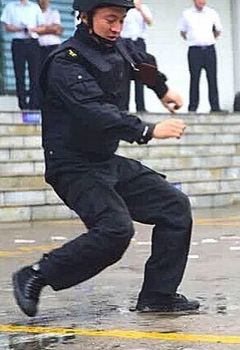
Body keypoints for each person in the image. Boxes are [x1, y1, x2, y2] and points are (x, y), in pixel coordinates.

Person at [11, 0, 199, 317]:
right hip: (72, 166)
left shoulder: (119, 47)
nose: (116, 28)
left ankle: (158, 295)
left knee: (175, 207)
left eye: (121, 20)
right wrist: (148, 130)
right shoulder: (65, 62)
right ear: (85, 17)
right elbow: (95, 111)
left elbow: (143, 64)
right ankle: (35, 275)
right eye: (110, 20)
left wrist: (163, 90)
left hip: (104, 160)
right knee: (115, 230)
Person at [177, 0, 223, 112]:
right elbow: (183, 32)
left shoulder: (212, 13)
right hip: (194, 50)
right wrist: (193, 39)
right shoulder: (186, 14)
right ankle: (193, 107)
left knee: (212, 78)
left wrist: (208, 40)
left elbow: (218, 30)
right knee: (194, 78)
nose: (201, 2)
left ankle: (215, 107)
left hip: (209, 49)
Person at [1, 0, 44, 110]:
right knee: (19, 74)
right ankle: (22, 103)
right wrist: (21, 28)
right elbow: (7, 27)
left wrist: (31, 29)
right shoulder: (10, 6)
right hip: (18, 42)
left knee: (34, 74)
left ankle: (34, 103)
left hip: (33, 42)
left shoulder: (34, 7)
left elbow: (42, 26)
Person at [120, 0, 152, 112]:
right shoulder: (123, 8)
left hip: (138, 43)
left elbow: (150, 22)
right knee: (125, 74)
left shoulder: (144, 8)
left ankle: (140, 107)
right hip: (124, 42)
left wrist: (140, 9)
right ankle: (124, 106)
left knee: (140, 74)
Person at [36, 0, 63, 66]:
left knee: (54, 68)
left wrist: (40, 29)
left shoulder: (54, 13)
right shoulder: (34, 14)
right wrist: (51, 28)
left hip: (54, 46)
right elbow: (33, 30)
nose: (44, 2)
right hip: (39, 47)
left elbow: (57, 29)